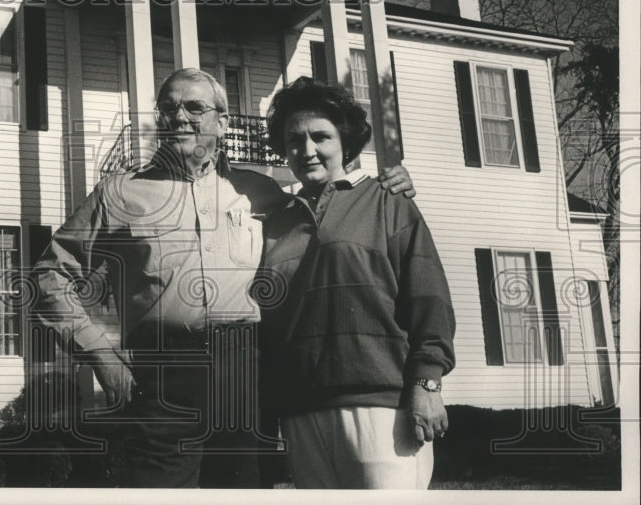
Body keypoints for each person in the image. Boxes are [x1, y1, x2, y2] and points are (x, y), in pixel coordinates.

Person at [30, 68, 414, 488]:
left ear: (223, 121)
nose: (179, 117)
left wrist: (385, 185)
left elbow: (330, 214)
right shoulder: (119, 193)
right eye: (168, 108)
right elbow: (50, 276)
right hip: (161, 373)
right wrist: (100, 355)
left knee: (243, 488)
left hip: (247, 369)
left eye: (195, 107)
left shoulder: (259, 191)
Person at [254, 76, 455, 489]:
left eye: (320, 137)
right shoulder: (277, 222)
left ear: (344, 141)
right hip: (301, 411)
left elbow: (429, 299)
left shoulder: (387, 200)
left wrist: (427, 382)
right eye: (294, 139)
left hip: (381, 406)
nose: (306, 150)